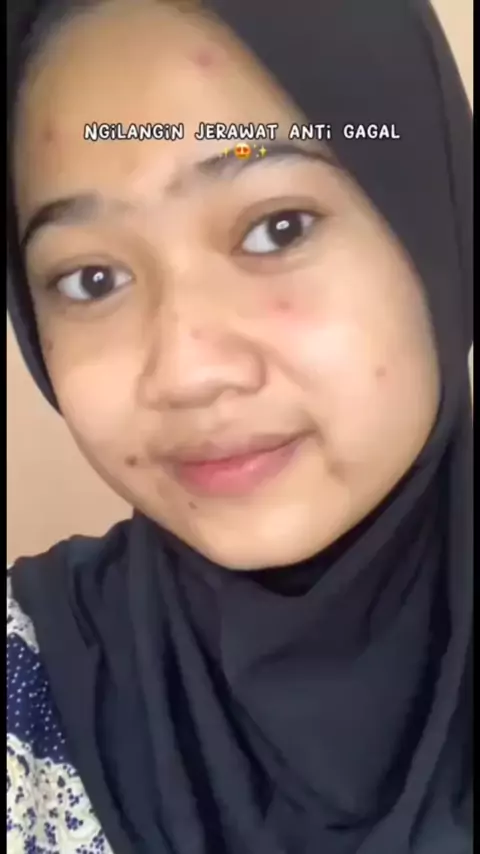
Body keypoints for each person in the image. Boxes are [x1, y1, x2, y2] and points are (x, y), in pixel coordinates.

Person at [6, 1, 472, 852]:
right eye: (90, 279)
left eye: (276, 229)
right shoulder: (27, 684)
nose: (188, 372)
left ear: (436, 223)